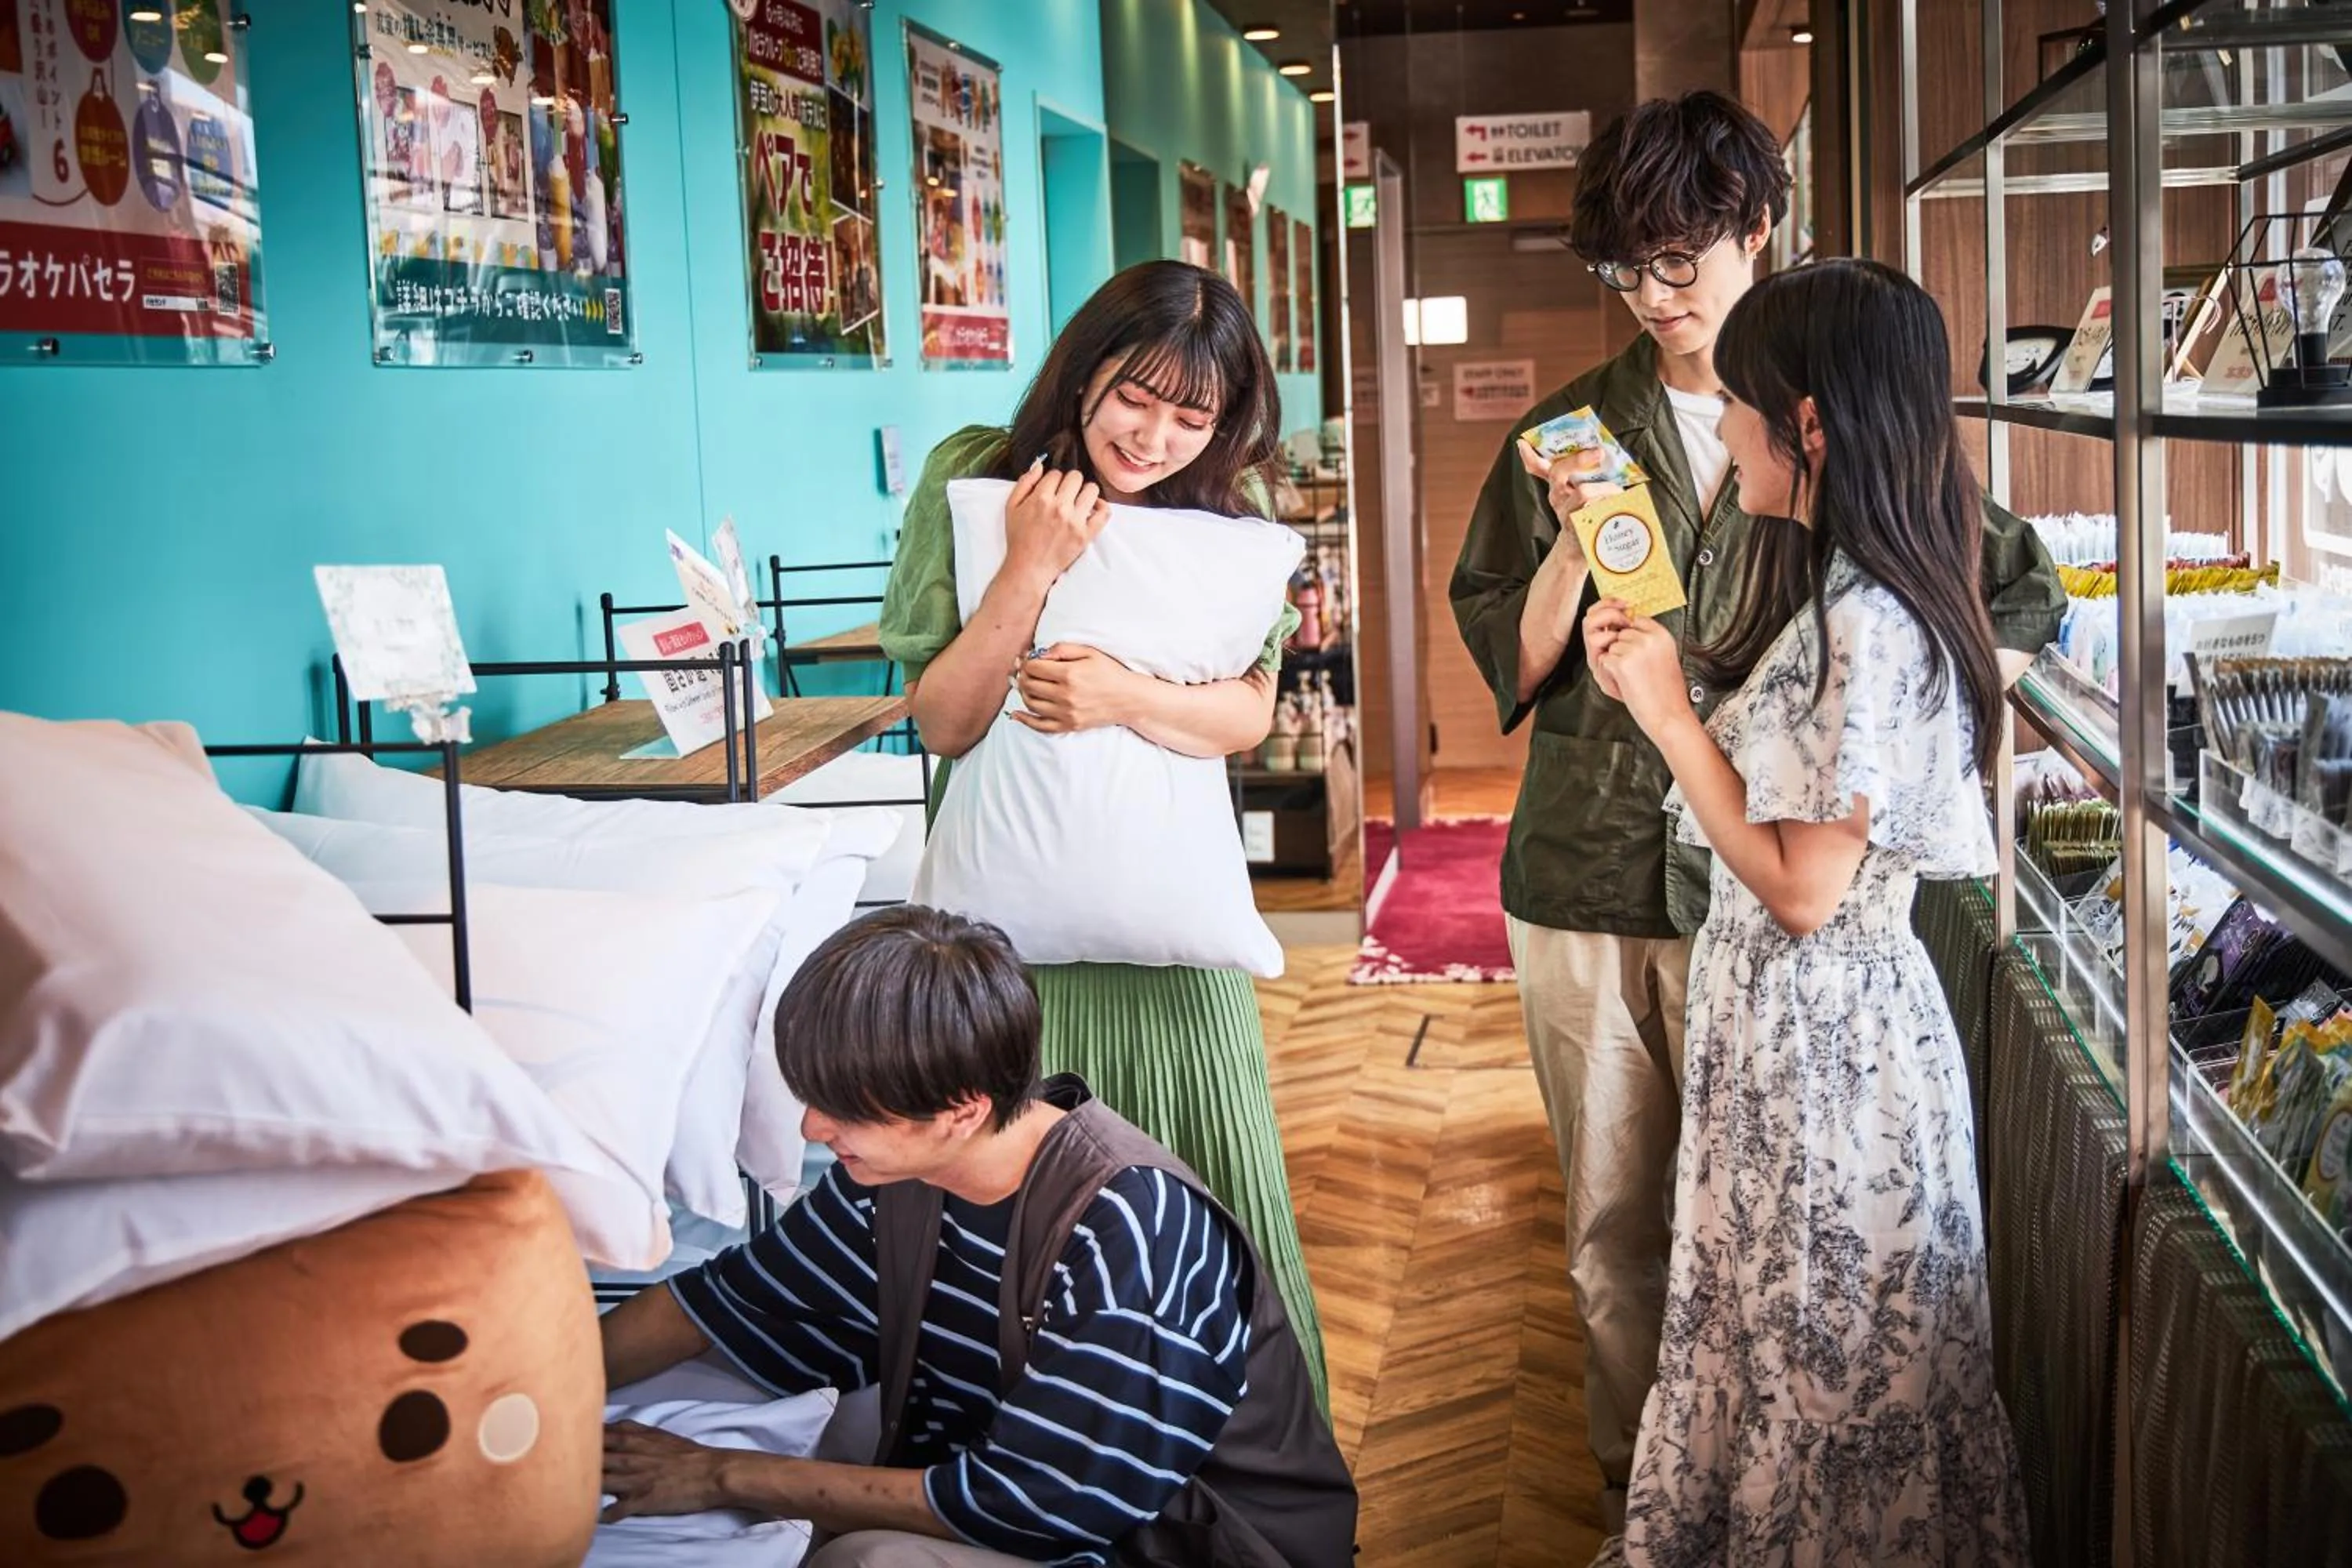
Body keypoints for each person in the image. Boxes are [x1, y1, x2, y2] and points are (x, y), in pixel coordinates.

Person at [1446, 89, 2063, 1537]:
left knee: (1770, 1236)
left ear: (1757, 229)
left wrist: (1906, 728)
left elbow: (2007, 592)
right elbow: (1505, 662)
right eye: (1626, 268)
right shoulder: (1567, 428)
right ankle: (1652, 1497)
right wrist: (1576, 550)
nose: (1656, 294)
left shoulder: (1833, 406)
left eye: (1681, 257)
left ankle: (1757, 1509)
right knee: (1619, 1225)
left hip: (1782, 902)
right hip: (1598, 867)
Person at [1584, 258, 2028, 1563]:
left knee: (1826, 1366)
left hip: (1830, 1048)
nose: (1724, 426)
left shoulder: (1872, 619)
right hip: (1799, 1037)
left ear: (1812, 424)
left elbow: (1799, 888)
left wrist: (1668, 716)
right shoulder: (1845, 589)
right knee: (1780, 1344)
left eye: (1739, 401)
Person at [876, 260, 1325, 1403]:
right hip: (1004, 956)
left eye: (1192, 418)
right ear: (1085, 370)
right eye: (1135, 396)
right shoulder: (976, 472)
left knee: (1205, 1216)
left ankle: (1235, 1468)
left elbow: (1247, 713)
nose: (1154, 438)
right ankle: (1028, 1465)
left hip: (1174, 958)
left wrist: (1124, 696)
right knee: (1002, 1244)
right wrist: (1029, 567)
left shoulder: (1233, 510)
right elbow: (945, 721)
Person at [597, 906, 1358, 1568]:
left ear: (962, 1110)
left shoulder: (1132, 1231)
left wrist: (724, 1473)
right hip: (1020, 1486)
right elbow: (723, 1305)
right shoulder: (891, 1182)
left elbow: (1040, 1503)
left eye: (845, 1110)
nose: (812, 1129)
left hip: (1177, 1544)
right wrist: (549, 1383)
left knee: (868, 1559)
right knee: (764, 1409)